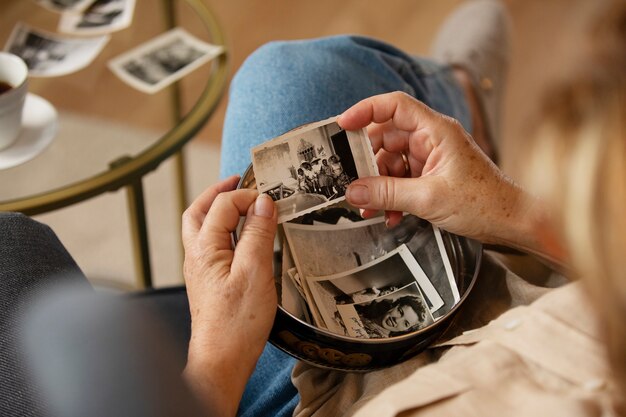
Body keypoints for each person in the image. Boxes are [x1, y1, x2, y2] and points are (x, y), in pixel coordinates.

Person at [0, 1, 623, 417]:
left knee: (8, 254)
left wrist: (214, 363)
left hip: (311, 398)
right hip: (536, 301)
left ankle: (459, 91)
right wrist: (517, 212)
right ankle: (466, 103)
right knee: (286, 73)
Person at [354, 294, 431, 338]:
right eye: (400, 312)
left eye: (406, 323)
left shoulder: (380, 344)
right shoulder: (363, 309)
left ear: (406, 330)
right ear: (395, 305)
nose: (397, 320)